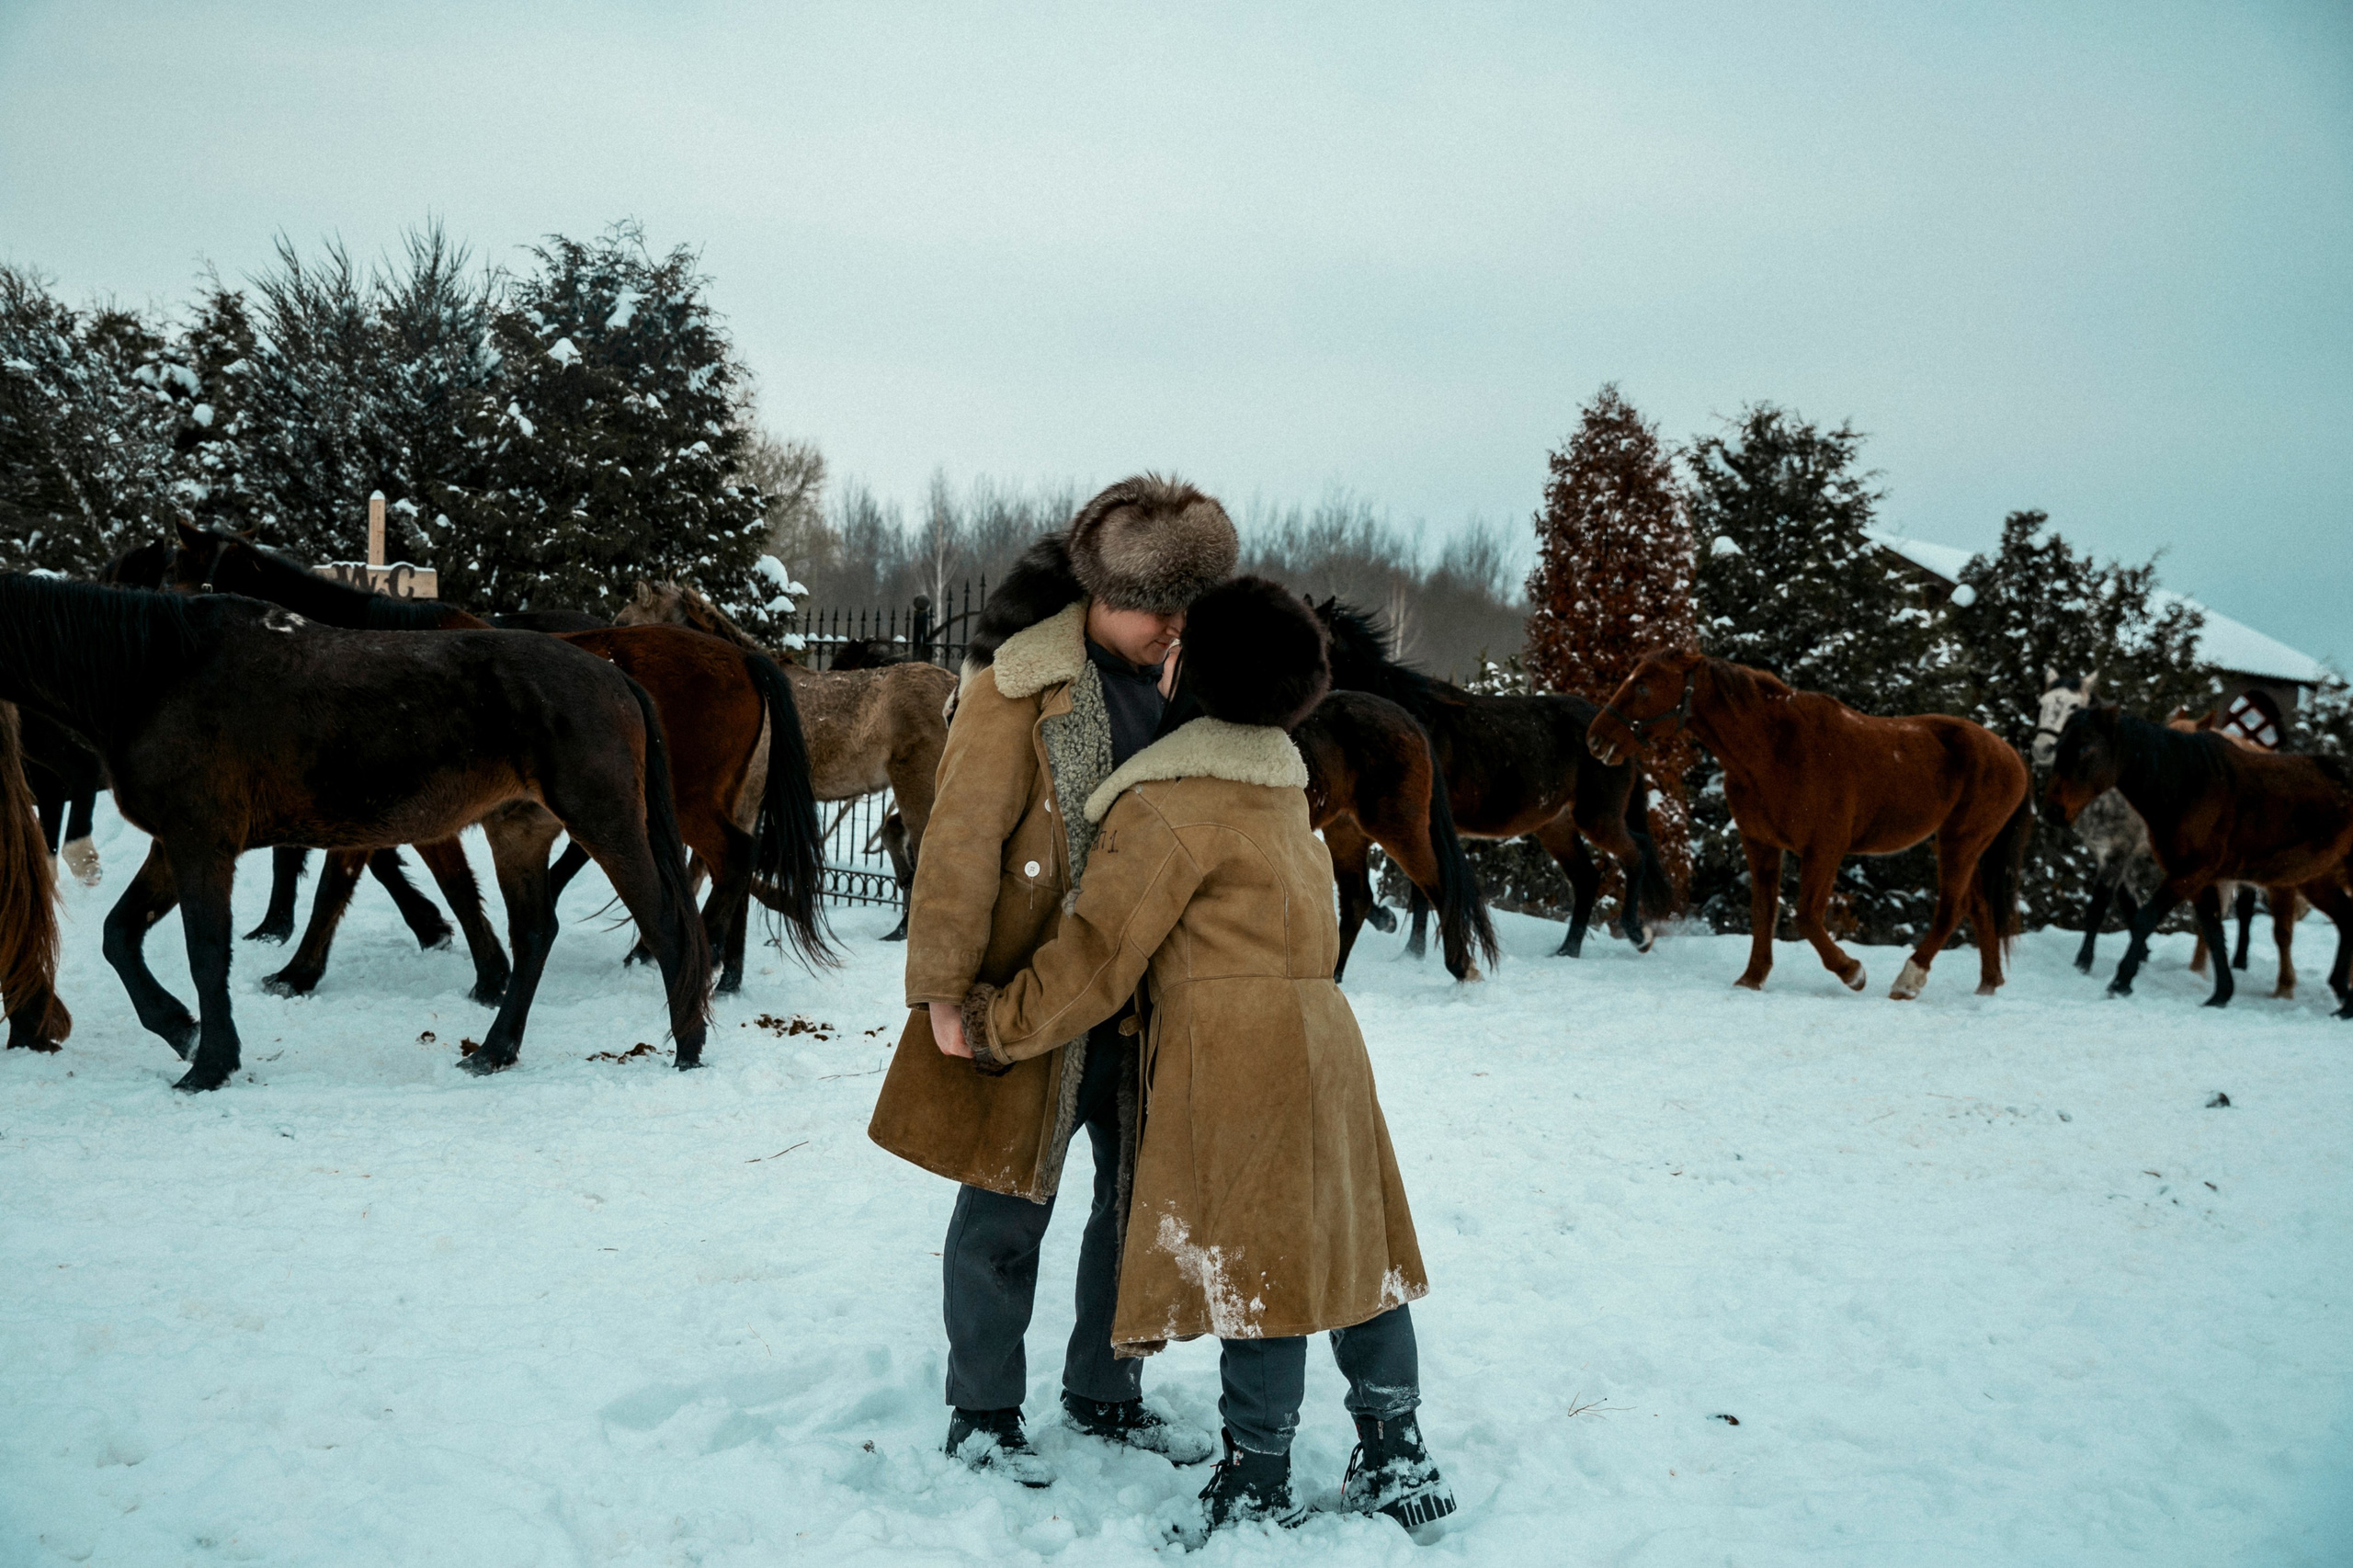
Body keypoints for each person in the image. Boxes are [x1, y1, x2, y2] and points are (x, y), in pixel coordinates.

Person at [951, 577, 1456, 1541]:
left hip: (1235, 1053)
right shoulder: (1284, 788)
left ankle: (1259, 1481)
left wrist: (993, 1022)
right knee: (1354, 1242)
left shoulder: (1168, 802)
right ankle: (1396, 1447)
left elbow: (1096, 958)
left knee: (1260, 1258)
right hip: (1328, 1041)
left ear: (1194, 673)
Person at [868, 475, 1238, 1483]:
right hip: (1027, 996)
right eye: (1157, 605)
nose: (1173, 625)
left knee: (1132, 1206)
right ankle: (983, 1411)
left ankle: (1104, 1390)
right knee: (1002, 1212)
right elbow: (957, 842)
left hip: (1147, 998)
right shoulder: (1016, 685)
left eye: (1186, 604)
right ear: (1100, 592)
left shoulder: (1194, 685)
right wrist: (943, 992)